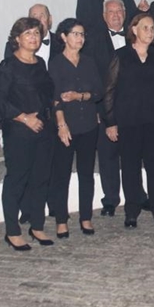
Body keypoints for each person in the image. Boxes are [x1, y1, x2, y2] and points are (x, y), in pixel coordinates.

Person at [104, 13, 154, 227]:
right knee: (130, 167)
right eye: (145, 27)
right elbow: (109, 90)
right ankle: (131, 211)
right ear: (134, 30)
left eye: (152, 28)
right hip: (129, 121)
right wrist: (110, 122)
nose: (150, 32)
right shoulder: (121, 56)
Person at [82, 0, 149, 216]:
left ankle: (138, 195)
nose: (116, 15)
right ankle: (110, 199)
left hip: (133, 106)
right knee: (108, 155)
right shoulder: (93, 41)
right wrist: (96, 108)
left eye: (119, 11)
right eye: (111, 12)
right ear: (104, 16)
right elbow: (91, 76)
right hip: (105, 106)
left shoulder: (135, 37)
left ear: (125, 13)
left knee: (134, 153)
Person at [0, 17, 56, 250]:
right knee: (17, 180)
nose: (33, 37)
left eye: (36, 33)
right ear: (17, 39)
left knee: (41, 179)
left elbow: (47, 96)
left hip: (44, 130)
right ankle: (12, 231)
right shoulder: (8, 67)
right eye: (28, 33)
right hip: (19, 132)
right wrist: (24, 118)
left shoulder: (40, 63)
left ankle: (37, 226)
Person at [48, 19, 103, 238]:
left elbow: (98, 92)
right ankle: (61, 220)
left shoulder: (89, 62)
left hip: (88, 124)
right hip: (66, 126)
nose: (80, 38)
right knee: (61, 174)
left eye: (82, 34)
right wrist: (61, 125)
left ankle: (86, 217)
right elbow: (54, 98)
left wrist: (80, 96)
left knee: (86, 174)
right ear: (64, 37)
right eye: (75, 34)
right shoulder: (56, 63)